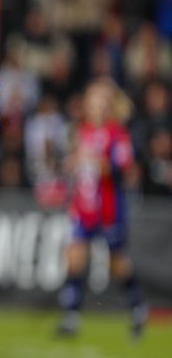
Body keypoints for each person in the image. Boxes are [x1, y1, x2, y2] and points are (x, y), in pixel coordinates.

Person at [56, 78, 146, 339]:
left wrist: (94, 159)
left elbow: (121, 169)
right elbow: (80, 170)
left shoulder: (117, 133)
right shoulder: (82, 131)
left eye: (98, 101)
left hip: (108, 208)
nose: (93, 105)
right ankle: (71, 317)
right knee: (74, 258)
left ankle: (137, 306)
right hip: (83, 206)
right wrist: (74, 164)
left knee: (116, 263)